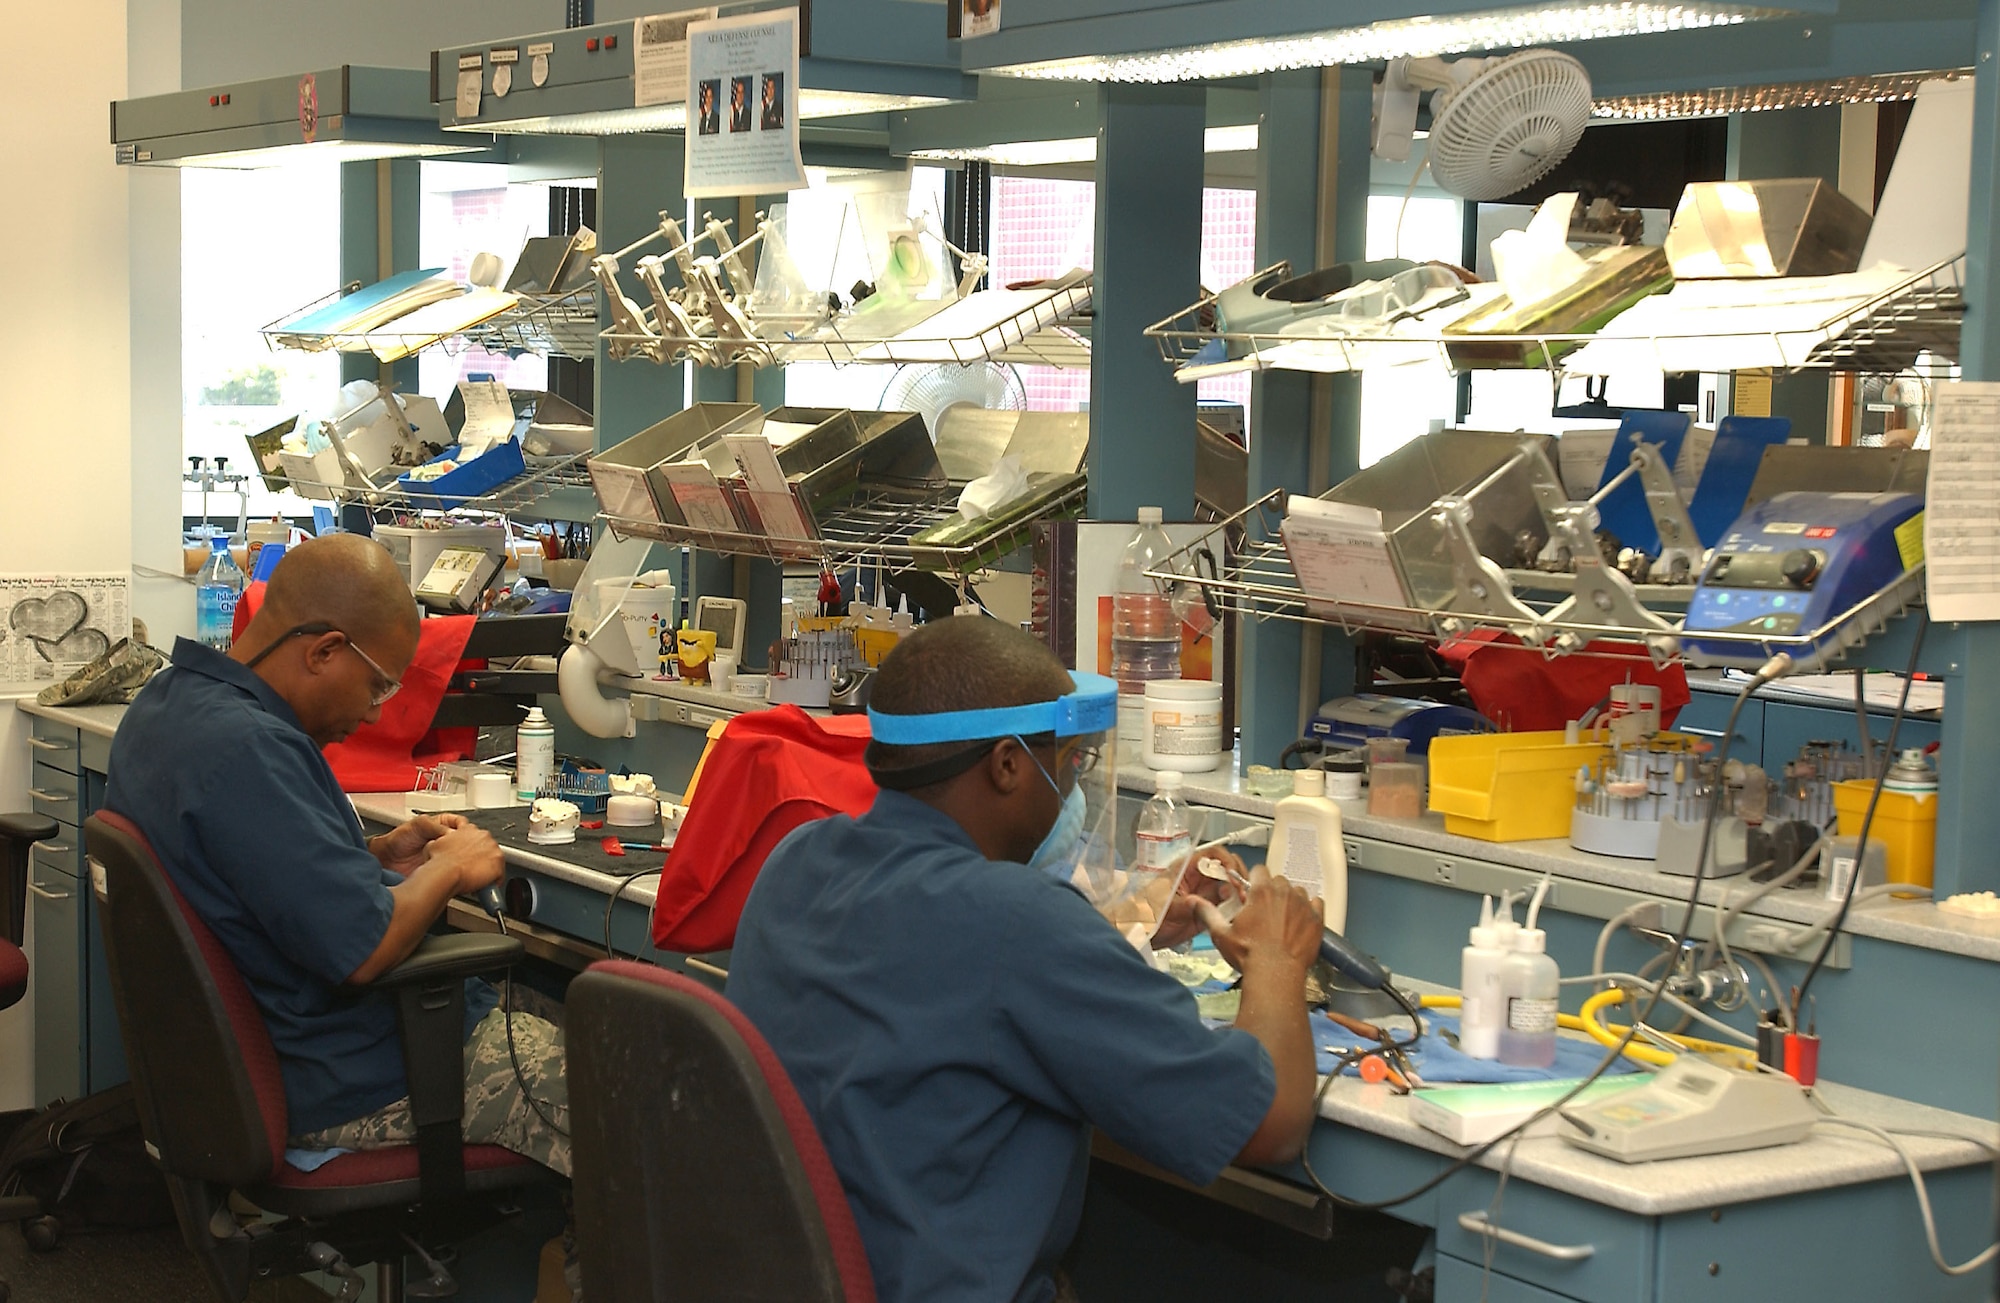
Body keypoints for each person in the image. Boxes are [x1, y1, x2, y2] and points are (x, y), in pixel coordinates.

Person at [727, 616, 1321, 1303]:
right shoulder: (1018, 921)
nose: (1073, 789)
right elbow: (1270, 1122)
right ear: (1008, 765)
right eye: (1071, 764)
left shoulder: (798, 860)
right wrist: (1278, 959)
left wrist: (1132, 919)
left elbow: (944, 969)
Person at [104, 534, 571, 1178]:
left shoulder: (168, 705)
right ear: (324, 651)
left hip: (279, 1051)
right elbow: (363, 950)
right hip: (360, 1073)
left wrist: (379, 855)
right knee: (641, 1097)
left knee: (594, 1027)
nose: (376, 715)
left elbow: (254, 874)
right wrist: (450, 866)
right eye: (378, 687)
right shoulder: (250, 750)